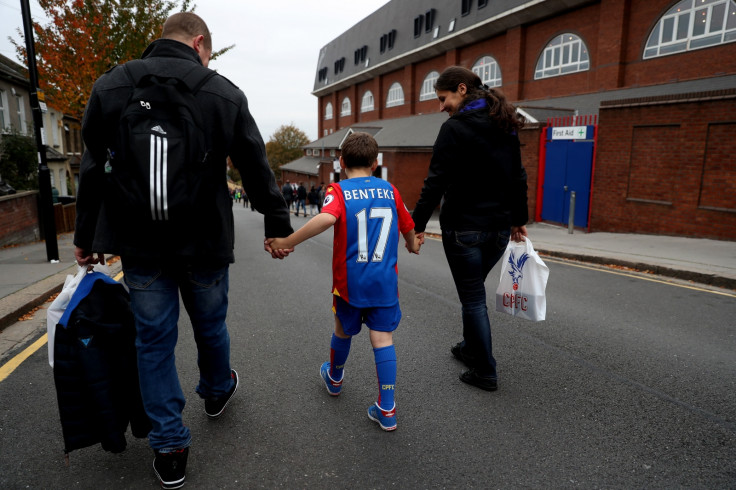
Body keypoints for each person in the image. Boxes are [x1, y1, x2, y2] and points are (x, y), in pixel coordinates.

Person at [73, 12, 293, 489]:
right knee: (210, 325)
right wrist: (277, 226)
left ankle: (170, 447)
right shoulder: (223, 93)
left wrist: (84, 236)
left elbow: (92, 168)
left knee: (152, 342)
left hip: (140, 243)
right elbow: (256, 166)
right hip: (205, 240)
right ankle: (216, 392)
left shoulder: (111, 87)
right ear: (200, 43)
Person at [269, 132, 421, 431]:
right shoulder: (391, 190)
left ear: (341, 162)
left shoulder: (338, 191)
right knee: (383, 339)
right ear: (375, 163)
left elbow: (326, 218)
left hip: (350, 283)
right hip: (384, 283)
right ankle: (387, 408)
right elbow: (408, 228)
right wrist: (413, 245)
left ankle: (335, 378)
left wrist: (288, 240)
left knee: (342, 329)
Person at [411, 66, 529, 393]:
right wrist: (519, 219)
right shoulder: (504, 123)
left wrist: (416, 227)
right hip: (499, 231)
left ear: (461, 90)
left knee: (473, 298)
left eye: (443, 98)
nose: (441, 106)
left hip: (464, 229)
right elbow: (518, 176)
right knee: (473, 290)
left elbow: (434, 183)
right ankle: (469, 347)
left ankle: (485, 370)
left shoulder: (455, 129)